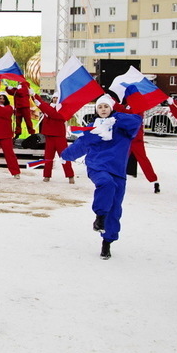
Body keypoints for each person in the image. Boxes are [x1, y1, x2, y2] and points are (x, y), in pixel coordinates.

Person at [61, 94, 142, 260]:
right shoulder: (93, 127)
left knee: (115, 208)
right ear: (96, 110)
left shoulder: (120, 125)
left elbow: (136, 121)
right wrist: (66, 155)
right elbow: (81, 144)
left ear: (111, 108)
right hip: (97, 166)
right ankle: (99, 217)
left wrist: (116, 118)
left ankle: (107, 242)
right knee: (106, 184)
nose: (103, 109)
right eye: (100, 107)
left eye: (106, 106)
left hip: (118, 170)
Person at [29, 90, 75, 184]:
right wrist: (33, 95)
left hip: (59, 136)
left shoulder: (62, 109)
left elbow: (52, 113)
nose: (55, 99)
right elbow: (40, 104)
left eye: (57, 98)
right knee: (48, 157)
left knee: (64, 157)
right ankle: (46, 175)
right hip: (49, 136)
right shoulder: (47, 107)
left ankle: (70, 175)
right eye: (54, 97)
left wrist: (37, 99)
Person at [114, 103, 160, 193]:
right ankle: (115, 180)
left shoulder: (138, 106)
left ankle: (154, 180)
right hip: (127, 137)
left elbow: (129, 114)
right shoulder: (128, 104)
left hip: (135, 138)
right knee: (120, 159)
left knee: (143, 160)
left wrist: (115, 104)